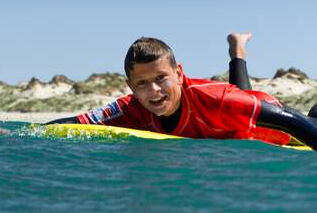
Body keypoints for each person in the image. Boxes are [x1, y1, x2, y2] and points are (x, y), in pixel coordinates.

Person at [48, 33, 317, 149]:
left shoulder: (216, 99)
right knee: (236, 108)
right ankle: (236, 46)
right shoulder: (129, 107)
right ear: (130, 87)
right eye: (142, 83)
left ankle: (238, 50)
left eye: (161, 78)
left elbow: (287, 121)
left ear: (179, 74)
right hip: (233, 124)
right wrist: (12, 136)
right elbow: (74, 122)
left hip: (277, 125)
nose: (153, 91)